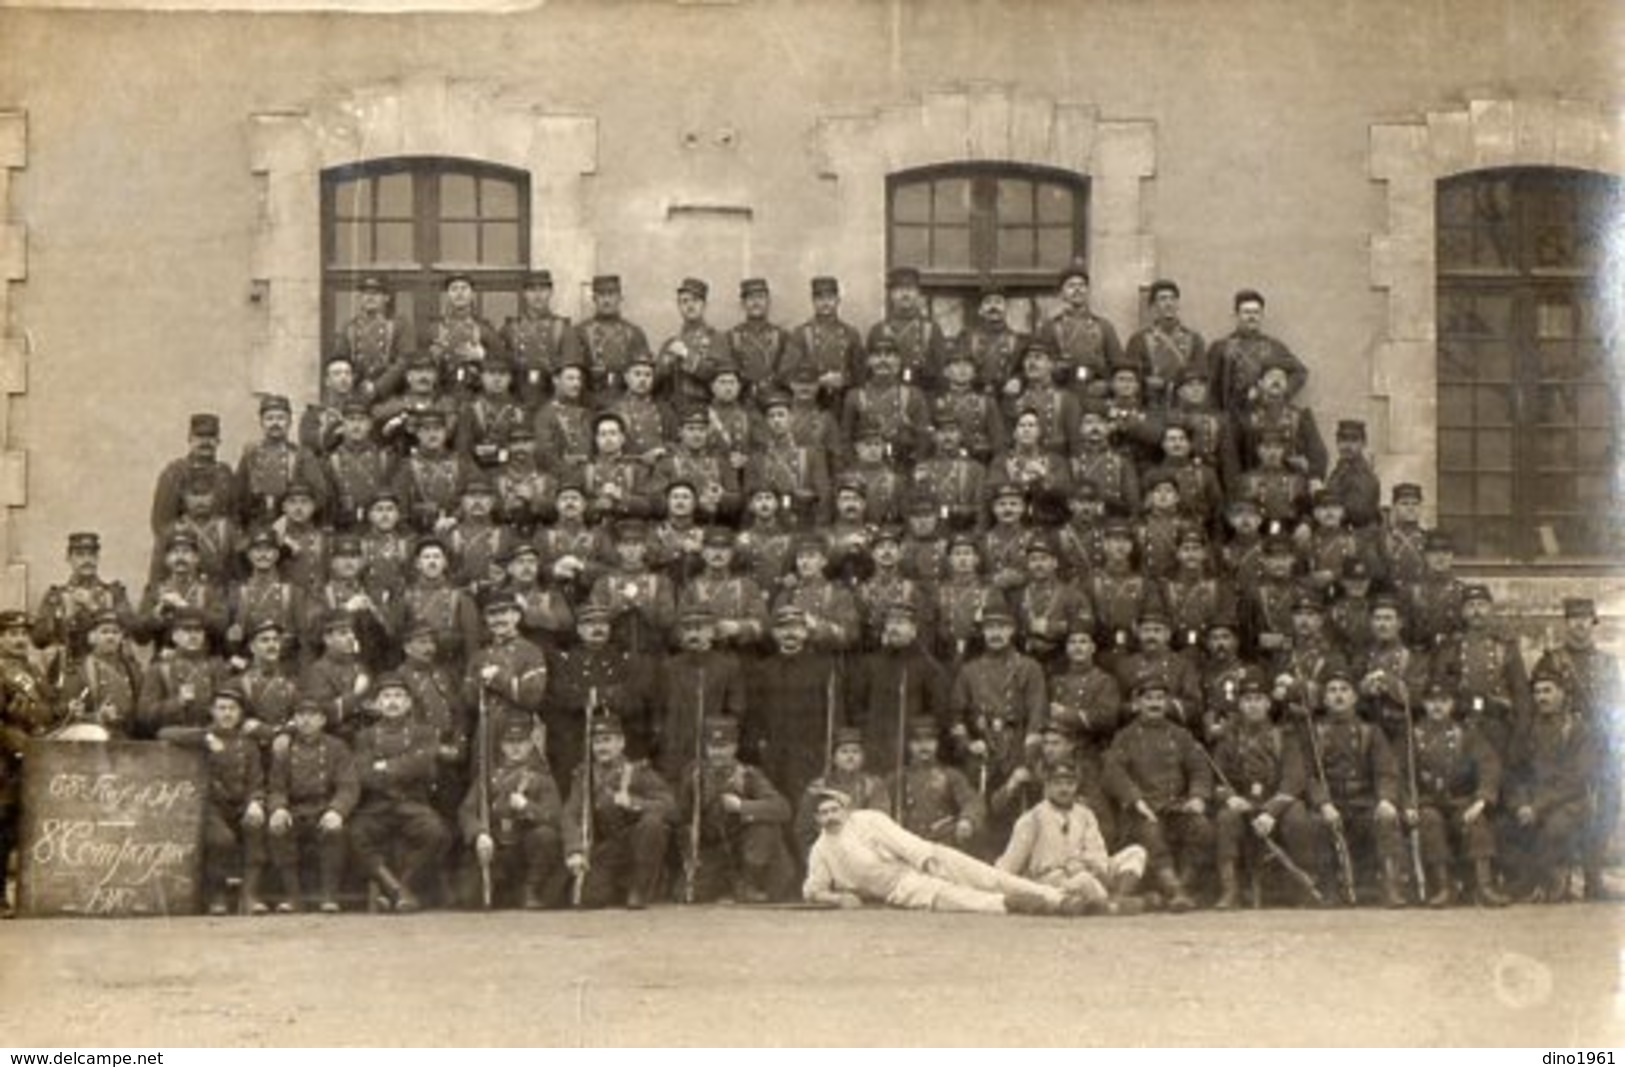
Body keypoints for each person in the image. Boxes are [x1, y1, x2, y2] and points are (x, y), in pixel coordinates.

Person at [802, 787, 1086, 915]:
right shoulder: (821, 850)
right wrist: (838, 898)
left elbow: (902, 841)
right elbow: (812, 889)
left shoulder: (868, 818)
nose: (830, 816)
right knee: (962, 899)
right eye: (823, 813)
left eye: (834, 809)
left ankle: (1059, 898)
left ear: (845, 808)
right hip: (900, 888)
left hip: (929, 856)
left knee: (989, 877)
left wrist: (926, 860)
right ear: (816, 820)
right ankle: (1018, 905)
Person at [1533, 596, 1624, 899]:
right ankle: (1561, 878)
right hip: (1566, 744)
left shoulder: (1608, 664)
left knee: (1605, 807)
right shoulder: (1551, 660)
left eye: (1585, 620)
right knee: (1567, 806)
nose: (1579, 625)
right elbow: (1540, 703)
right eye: (1573, 619)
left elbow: (1617, 704)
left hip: (1601, 745)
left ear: (1593, 624)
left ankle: (1594, 878)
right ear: (1566, 623)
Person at [1103, 672, 1213, 911]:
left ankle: (1182, 888)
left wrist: (1197, 796)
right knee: (1151, 832)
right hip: (1142, 811)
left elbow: (1199, 768)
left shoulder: (1180, 735)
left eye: (1160, 698)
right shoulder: (1126, 737)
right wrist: (1135, 800)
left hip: (1176, 807)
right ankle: (1174, 890)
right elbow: (1113, 773)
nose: (1154, 703)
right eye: (1149, 698)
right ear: (1137, 703)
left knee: (1201, 827)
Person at [159, 685, 268, 915]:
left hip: (240, 805)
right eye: (221, 708)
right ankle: (217, 895)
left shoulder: (248, 744)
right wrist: (204, 737)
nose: (227, 714)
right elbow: (164, 733)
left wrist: (255, 802)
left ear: (240, 714)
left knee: (256, 830)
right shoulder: (200, 737)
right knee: (222, 840)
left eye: (232, 709)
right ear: (212, 712)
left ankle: (249, 895)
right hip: (211, 807)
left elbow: (256, 780)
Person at [1501, 664, 1602, 903]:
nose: (1541, 698)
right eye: (1537, 692)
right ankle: (1527, 881)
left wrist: (1538, 806)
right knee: (1504, 827)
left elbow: (1577, 778)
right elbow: (1514, 772)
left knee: (1555, 827)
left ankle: (1554, 879)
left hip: (1570, 802)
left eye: (1548, 691)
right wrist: (1520, 805)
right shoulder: (1526, 730)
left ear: (1562, 693)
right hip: (1533, 802)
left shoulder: (1578, 729)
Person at [349, 674, 449, 912]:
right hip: (377, 806)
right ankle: (397, 892)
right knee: (355, 835)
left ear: (408, 703)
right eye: (386, 697)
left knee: (437, 833)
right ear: (376, 704)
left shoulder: (424, 733)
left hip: (413, 804)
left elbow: (423, 765)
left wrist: (385, 766)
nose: (392, 702)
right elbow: (364, 774)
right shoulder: (365, 737)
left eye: (398, 696)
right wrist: (404, 765)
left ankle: (399, 888)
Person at [675, 714, 795, 904]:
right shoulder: (694, 775)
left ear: (734, 747)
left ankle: (749, 883)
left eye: (723, 747)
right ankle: (727, 886)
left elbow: (782, 808)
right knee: (687, 895)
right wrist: (689, 852)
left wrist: (742, 806)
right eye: (713, 747)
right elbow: (682, 817)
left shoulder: (748, 775)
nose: (718, 753)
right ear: (705, 748)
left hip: (746, 851)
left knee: (764, 827)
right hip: (713, 850)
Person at [1407, 680, 1507, 908]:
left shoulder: (1467, 735)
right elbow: (1400, 774)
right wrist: (1408, 804)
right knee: (1430, 820)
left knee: (1476, 820)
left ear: (1451, 704)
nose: (1437, 707)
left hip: (1460, 801)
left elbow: (1489, 764)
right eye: (1432, 702)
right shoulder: (1412, 736)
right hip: (1427, 802)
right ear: (1424, 704)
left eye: (1443, 701)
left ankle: (1485, 886)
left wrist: (1482, 798)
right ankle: (1444, 887)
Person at [996, 763, 1147, 913]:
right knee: (1084, 882)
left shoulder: (1085, 814)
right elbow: (1010, 864)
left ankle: (1116, 899)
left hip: (1088, 873)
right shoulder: (1032, 818)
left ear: (1076, 786)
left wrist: (1091, 867)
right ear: (1047, 785)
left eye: (1070, 784)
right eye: (1058, 784)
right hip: (1051, 880)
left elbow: (1097, 853)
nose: (1064, 789)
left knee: (1136, 852)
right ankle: (1110, 905)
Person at [562, 711, 676, 909]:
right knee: (588, 898)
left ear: (621, 743)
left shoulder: (638, 772)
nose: (602, 747)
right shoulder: (584, 776)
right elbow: (570, 814)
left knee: (653, 824)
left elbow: (671, 807)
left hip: (637, 845)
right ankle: (621, 886)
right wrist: (575, 850)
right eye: (597, 742)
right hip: (609, 849)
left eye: (607, 740)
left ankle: (640, 890)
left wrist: (633, 802)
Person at [460, 715, 567, 910]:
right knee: (469, 898)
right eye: (510, 742)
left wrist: (527, 807)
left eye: (521, 742)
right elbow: (467, 811)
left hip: (525, 850)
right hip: (496, 846)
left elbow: (556, 817)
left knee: (546, 836)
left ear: (530, 745)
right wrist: (479, 833)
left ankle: (531, 889)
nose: (515, 748)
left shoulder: (542, 778)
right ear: (502, 746)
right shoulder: (488, 777)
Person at [266, 698, 359, 913]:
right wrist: (279, 807)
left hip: (325, 806)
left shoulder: (337, 747)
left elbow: (348, 785)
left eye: (312, 715)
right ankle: (293, 897)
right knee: (278, 830)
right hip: (295, 809)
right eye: (300, 715)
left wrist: (337, 810)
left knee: (335, 832)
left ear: (322, 720)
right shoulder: (285, 749)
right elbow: (276, 786)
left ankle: (329, 896)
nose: (306, 720)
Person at [0, 609, 54, 913]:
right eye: (11, 634)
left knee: (27, 824)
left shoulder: (33, 670)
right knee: (3, 825)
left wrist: (63, 708)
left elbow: (47, 709)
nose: (19, 639)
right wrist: (16, 742)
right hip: (6, 761)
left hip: (34, 755)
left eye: (22, 633)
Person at [32, 531, 133, 662]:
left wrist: (94, 607)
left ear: (97, 558)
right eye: (80, 555)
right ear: (69, 559)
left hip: (107, 668)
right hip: (69, 668)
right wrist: (66, 617)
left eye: (91, 555)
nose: (87, 560)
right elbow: (38, 639)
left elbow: (130, 628)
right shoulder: (56, 596)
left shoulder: (114, 593)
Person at [1206, 289, 1308, 419]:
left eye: (1256, 312)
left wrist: (1282, 394)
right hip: (1232, 418)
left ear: (1262, 315)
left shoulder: (1274, 346)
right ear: (1236, 315)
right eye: (1246, 312)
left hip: (1265, 418)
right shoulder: (1221, 347)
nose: (1252, 317)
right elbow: (1210, 387)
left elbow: (1300, 372)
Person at [151, 413, 237, 538]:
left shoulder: (225, 474)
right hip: (183, 548)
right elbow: (162, 524)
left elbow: (234, 518)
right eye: (200, 437)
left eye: (211, 437)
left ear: (218, 441)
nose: (206, 442)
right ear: (190, 439)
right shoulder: (174, 474)